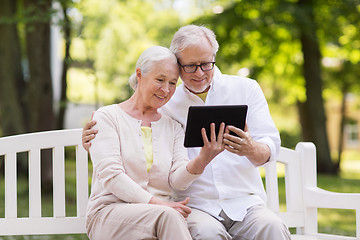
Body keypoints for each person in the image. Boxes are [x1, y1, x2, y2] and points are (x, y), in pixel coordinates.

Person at [83, 25, 291, 240]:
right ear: (178, 65)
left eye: (206, 64)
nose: (200, 73)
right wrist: (94, 140)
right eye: (191, 66)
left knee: (273, 228)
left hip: (246, 204)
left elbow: (270, 147)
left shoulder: (246, 89)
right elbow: (131, 123)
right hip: (197, 207)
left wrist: (251, 148)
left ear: (214, 57)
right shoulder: (165, 103)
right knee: (205, 233)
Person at [85, 45, 226, 240]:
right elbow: (112, 176)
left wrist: (203, 158)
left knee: (202, 226)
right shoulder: (108, 117)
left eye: (172, 83)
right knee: (170, 216)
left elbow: (176, 181)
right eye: (160, 80)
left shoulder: (173, 126)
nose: (166, 90)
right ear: (139, 74)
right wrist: (159, 205)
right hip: (110, 213)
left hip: (160, 215)